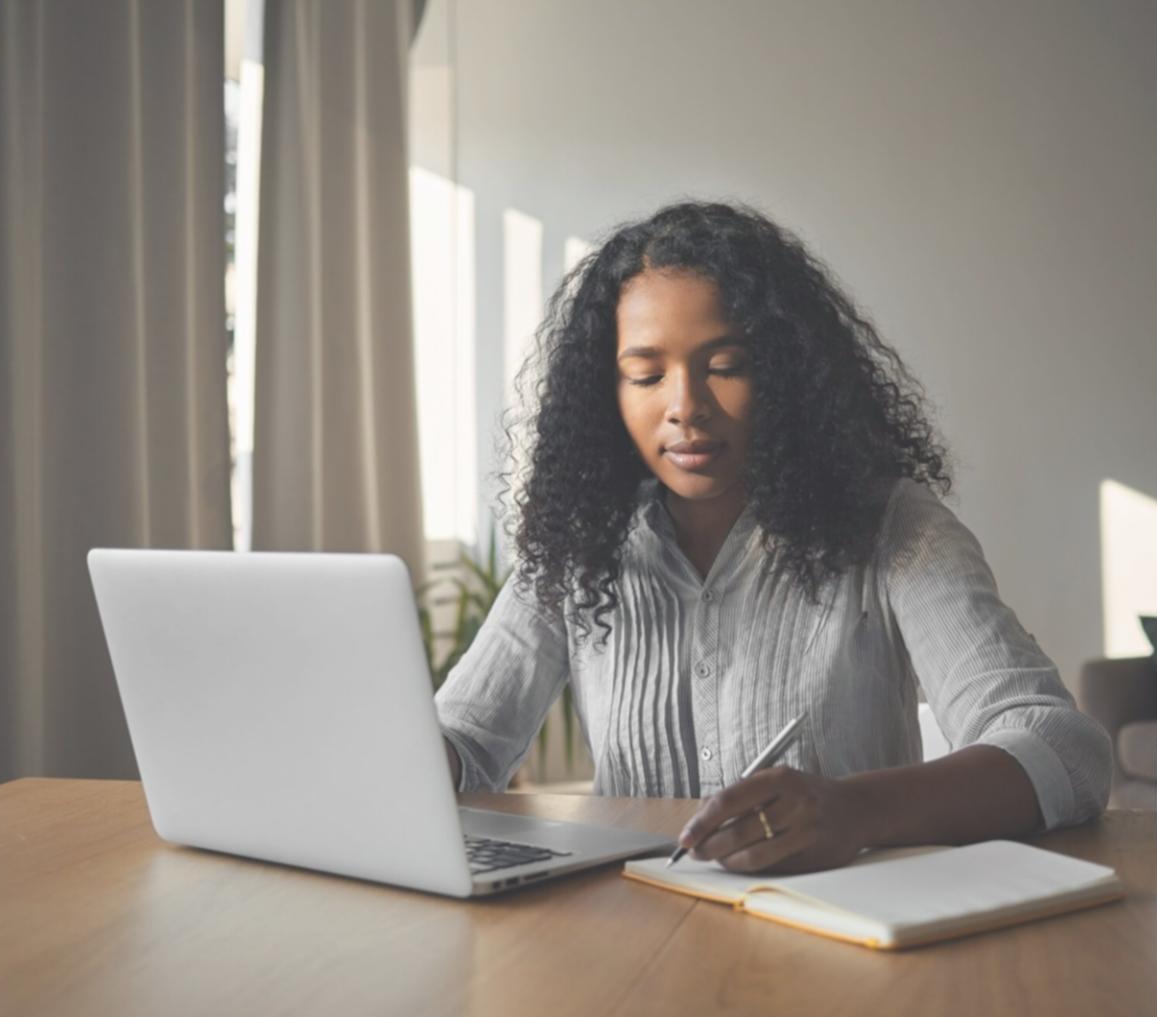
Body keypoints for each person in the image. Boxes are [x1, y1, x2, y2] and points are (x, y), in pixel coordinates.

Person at [435, 200, 1112, 874]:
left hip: (845, 935)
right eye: (645, 375)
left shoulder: (893, 530)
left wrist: (856, 809)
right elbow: (464, 736)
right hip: (637, 937)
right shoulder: (579, 547)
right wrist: (416, 761)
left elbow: (1063, 748)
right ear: (604, 392)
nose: (685, 406)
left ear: (787, 375)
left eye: (726, 365)